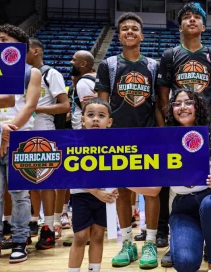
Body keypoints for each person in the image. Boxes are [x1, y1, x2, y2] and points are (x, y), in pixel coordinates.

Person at [157, 3, 211, 264]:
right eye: (186, 17)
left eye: (197, 17)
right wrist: (166, 132)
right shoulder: (170, 55)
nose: (192, 20)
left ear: (204, 26)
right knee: (177, 182)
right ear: (180, 25)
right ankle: (176, 234)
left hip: (206, 130)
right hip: (178, 131)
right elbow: (163, 97)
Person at [94, 12, 162, 269]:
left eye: (134, 28)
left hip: (147, 134)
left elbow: (157, 103)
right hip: (117, 136)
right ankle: (127, 243)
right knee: (122, 191)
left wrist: (161, 132)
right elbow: (102, 104)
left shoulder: (153, 66)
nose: (130, 32)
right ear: (119, 35)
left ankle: (151, 243)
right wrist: (102, 136)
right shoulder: (109, 65)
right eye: (125, 29)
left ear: (142, 35)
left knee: (151, 192)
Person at [0, 24, 41, 263]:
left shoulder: (31, 72)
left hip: (20, 137)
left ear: (19, 45)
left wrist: (7, 132)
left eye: (4, 39)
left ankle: (20, 239)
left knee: (20, 193)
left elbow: (29, 106)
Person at [166, 88, 211, 272]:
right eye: (177, 103)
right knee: (186, 263)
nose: (183, 107)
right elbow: (154, 189)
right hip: (183, 208)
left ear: (198, 107)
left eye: (188, 102)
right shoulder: (164, 144)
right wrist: (127, 180)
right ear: (171, 110)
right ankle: (194, 240)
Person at [25, 37, 70, 247]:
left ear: (34, 51)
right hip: (22, 128)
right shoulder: (18, 74)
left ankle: (49, 227)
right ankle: (33, 221)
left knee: (46, 181)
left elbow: (64, 106)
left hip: (44, 129)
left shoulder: (51, 73)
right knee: (28, 180)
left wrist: (34, 108)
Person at [68, 97, 119, 272]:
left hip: (105, 196)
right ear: (82, 119)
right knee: (81, 236)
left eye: (101, 115)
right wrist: (96, 192)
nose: (95, 119)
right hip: (81, 195)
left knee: (98, 235)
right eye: (90, 115)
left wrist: (114, 187)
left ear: (109, 122)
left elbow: (119, 169)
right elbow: (73, 174)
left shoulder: (114, 144)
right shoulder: (75, 142)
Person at [70, 50, 96, 130]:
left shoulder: (83, 82)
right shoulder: (95, 77)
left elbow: (88, 114)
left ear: (83, 64)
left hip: (82, 131)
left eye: (74, 60)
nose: (71, 62)